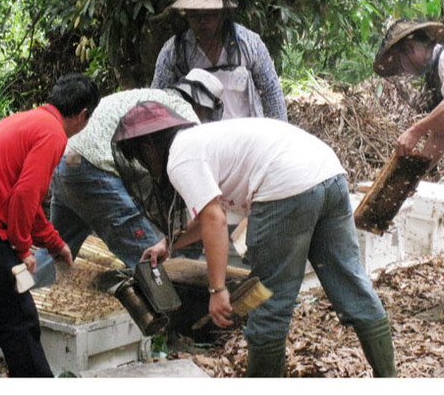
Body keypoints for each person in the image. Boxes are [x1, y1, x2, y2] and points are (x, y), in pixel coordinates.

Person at [111, 102, 397, 377]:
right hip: (328, 173)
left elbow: (215, 220)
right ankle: (388, 378)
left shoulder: (180, 158)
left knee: (269, 302)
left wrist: (217, 289)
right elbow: (210, 214)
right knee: (351, 282)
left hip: (284, 185)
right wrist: (169, 244)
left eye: (140, 158)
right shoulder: (200, 140)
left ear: (148, 147)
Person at [33, 70, 216, 287]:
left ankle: (17, 293)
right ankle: (168, 316)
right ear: (202, 105)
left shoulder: (149, 97)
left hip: (65, 162)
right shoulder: (184, 114)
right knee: (150, 254)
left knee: (56, 248)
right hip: (92, 166)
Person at [0, 73, 100, 377]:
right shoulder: (53, 134)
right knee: (20, 322)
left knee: (15, 312)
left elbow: (27, 203)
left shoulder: (27, 119)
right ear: (83, 115)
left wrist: (55, 243)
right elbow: (24, 196)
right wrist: (22, 249)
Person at [373, 19, 444, 311]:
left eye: (400, 59)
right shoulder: (436, 76)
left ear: (412, 47)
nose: (403, 68)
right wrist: (409, 178)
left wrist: (414, 130)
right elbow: (440, 136)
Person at [151, 0, 287, 122]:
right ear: (187, 15)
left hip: (245, 135)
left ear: (221, 13)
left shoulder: (248, 44)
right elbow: (158, 98)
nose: (202, 21)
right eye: (196, 15)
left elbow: (271, 90)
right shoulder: (174, 51)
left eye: (208, 15)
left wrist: (280, 132)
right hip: (200, 138)